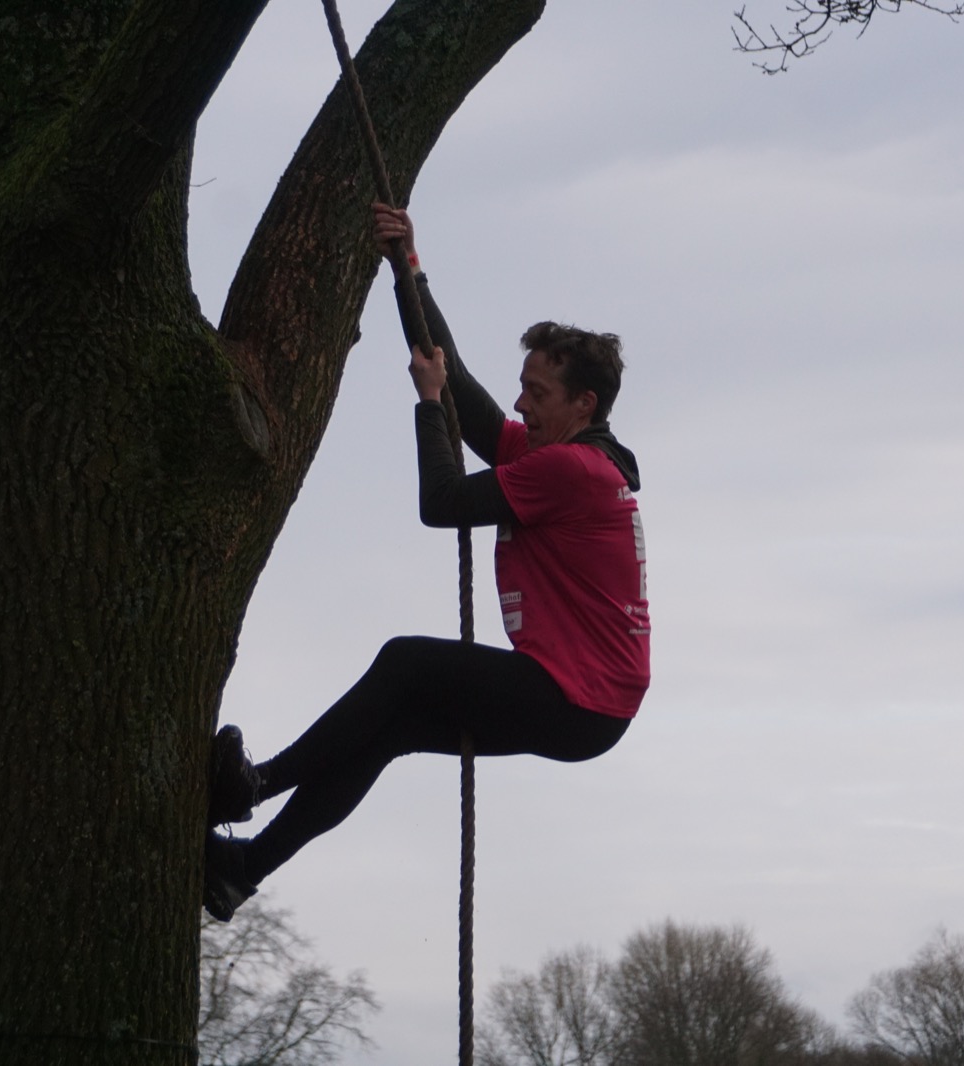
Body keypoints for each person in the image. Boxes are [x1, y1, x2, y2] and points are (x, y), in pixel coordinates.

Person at [202, 205, 651, 921]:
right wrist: (407, 268)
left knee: (405, 663)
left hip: (579, 700)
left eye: (537, 394)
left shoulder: (570, 470)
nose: (520, 403)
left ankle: (252, 789)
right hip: (590, 704)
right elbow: (465, 390)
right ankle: (242, 869)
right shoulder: (557, 454)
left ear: (584, 404)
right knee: (391, 728)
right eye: (523, 386)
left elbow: (441, 501)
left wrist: (426, 402)